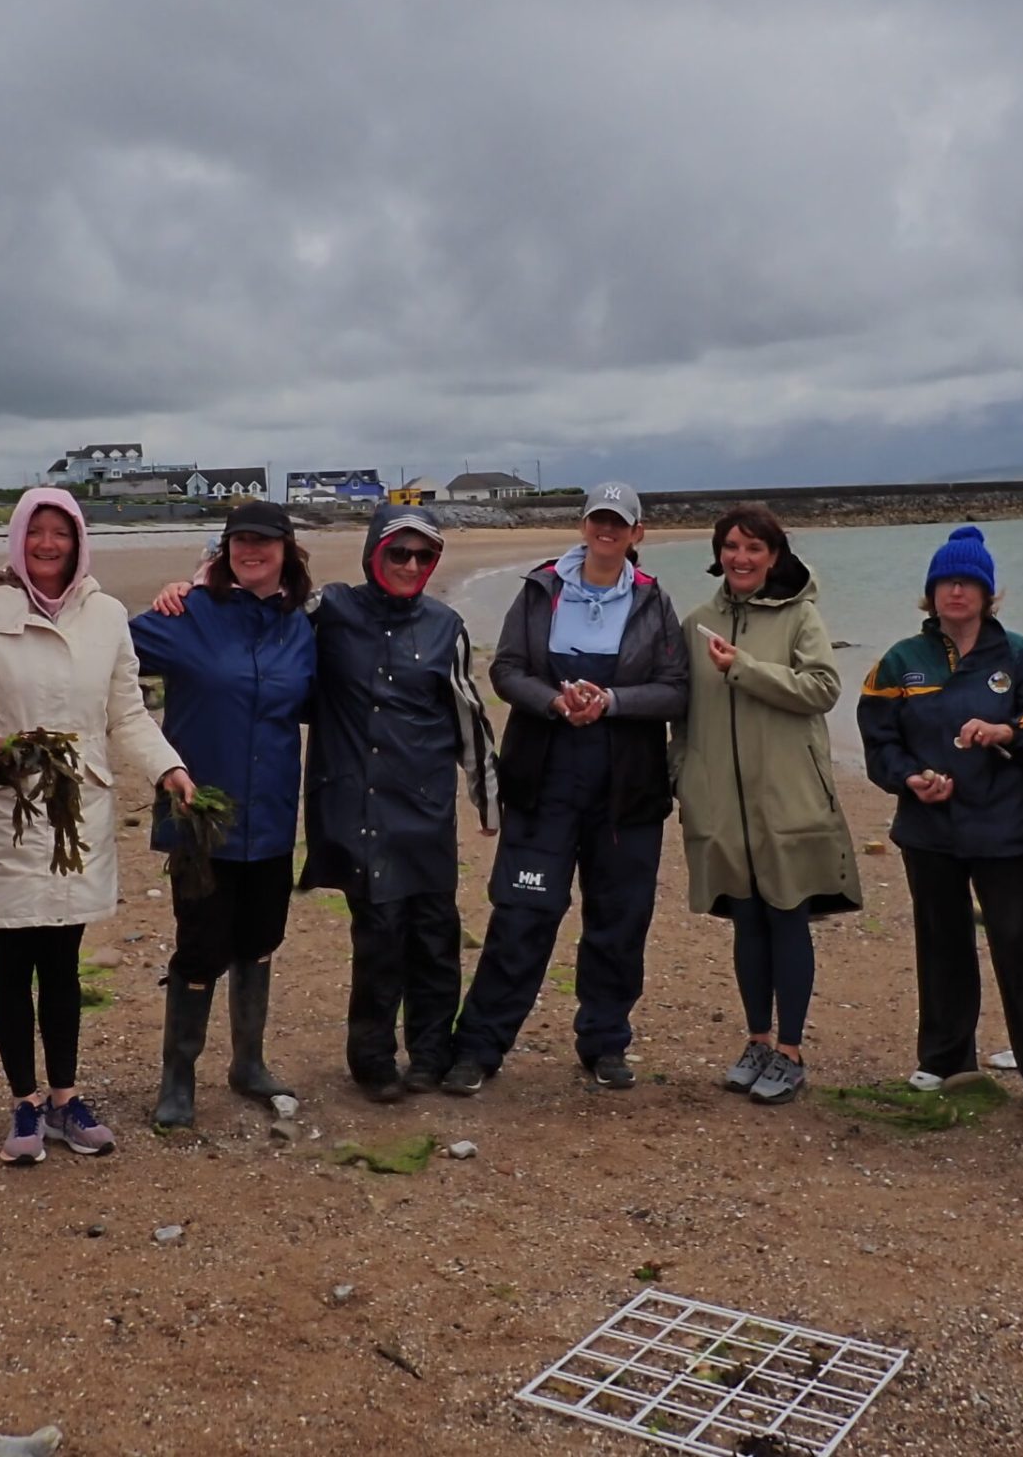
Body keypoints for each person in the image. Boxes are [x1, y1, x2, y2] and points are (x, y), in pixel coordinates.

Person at [0, 486, 191, 1161]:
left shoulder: (106, 615)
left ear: (79, 541)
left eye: (62, 534)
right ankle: (23, 1104)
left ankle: (65, 1099)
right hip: (4, 814)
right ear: (18, 538)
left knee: (61, 964)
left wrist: (167, 769)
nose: (48, 545)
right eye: (36, 533)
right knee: (9, 961)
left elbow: (128, 714)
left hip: (78, 813)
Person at [446, 482, 690, 1094]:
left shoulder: (653, 602)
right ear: (584, 526)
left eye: (619, 523)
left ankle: (605, 1042)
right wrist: (556, 700)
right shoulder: (541, 590)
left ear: (637, 534)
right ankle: (478, 1047)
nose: (606, 531)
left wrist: (611, 701)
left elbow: (675, 688)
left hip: (627, 789)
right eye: (597, 520)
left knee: (619, 919)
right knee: (524, 915)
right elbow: (506, 670)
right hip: (545, 778)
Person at [857, 525, 1023, 1116]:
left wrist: (1008, 732)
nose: (957, 592)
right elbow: (879, 742)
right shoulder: (900, 662)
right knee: (941, 944)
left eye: (969, 582)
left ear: (987, 593)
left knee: (1020, 944)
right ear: (931, 593)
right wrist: (910, 779)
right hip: (930, 832)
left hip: (1004, 830)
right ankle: (944, 1059)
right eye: (947, 582)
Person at [296, 506, 498, 1098]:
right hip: (359, 807)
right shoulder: (329, 611)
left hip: (426, 806)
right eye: (397, 553)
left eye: (422, 556)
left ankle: (431, 1055)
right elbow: (265, 613)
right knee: (380, 933)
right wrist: (202, 579)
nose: (410, 565)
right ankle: (374, 1061)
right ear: (372, 554)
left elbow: (469, 715)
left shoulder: (446, 626)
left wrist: (487, 800)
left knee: (436, 933)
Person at [127, 499, 316, 1128]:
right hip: (200, 819)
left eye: (264, 541)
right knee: (201, 947)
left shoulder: (301, 629)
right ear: (224, 549)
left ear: (287, 550)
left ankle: (248, 1064)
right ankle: (178, 1078)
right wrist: (14, 591)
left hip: (271, 819)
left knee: (261, 940)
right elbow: (100, 644)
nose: (251, 550)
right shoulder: (187, 616)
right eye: (240, 541)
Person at [674, 504, 861, 1106]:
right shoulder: (696, 622)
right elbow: (682, 715)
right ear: (718, 553)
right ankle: (756, 1041)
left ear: (774, 556)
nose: (742, 558)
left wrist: (746, 669)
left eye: (755, 548)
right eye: (732, 546)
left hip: (786, 797)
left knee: (788, 916)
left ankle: (790, 1051)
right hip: (720, 801)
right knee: (746, 920)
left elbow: (823, 690)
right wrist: (684, 775)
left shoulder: (800, 616)